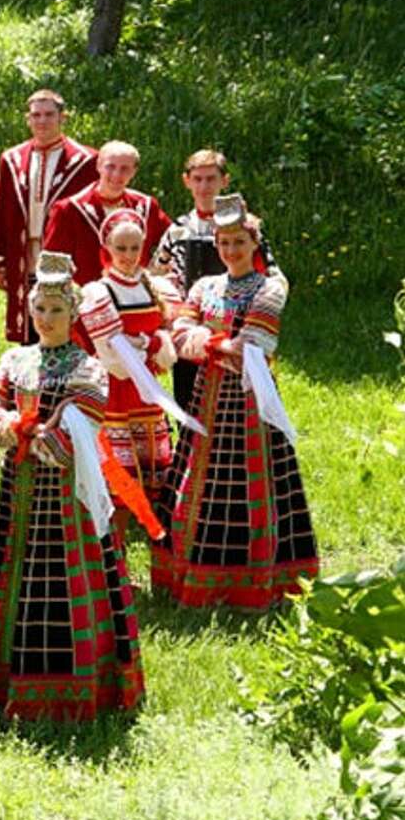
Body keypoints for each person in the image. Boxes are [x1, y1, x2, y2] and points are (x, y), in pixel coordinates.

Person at [0, 252, 143, 720]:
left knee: (67, 573)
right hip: (20, 487)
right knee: (18, 568)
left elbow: (75, 435)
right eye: (39, 309)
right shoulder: (16, 359)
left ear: (73, 315)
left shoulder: (88, 368)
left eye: (56, 310)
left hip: (69, 495)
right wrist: (11, 423)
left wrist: (23, 431)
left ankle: (79, 680)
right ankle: (13, 680)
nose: (46, 319)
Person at [155, 196, 317, 609]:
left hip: (252, 402)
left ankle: (257, 577)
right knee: (201, 479)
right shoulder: (204, 286)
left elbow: (254, 348)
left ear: (254, 244)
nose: (230, 250)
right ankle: (198, 572)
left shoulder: (269, 288)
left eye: (238, 242)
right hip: (206, 397)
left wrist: (206, 342)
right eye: (224, 242)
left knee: (253, 479)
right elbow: (178, 336)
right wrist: (215, 343)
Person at [78, 211, 186, 532]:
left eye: (134, 248)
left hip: (148, 390)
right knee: (119, 475)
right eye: (120, 248)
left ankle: (153, 537)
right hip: (117, 392)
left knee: (151, 470)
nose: (127, 256)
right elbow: (112, 358)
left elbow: (167, 339)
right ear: (107, 247)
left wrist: (155, 344)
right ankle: (114, 548)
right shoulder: (98, 293)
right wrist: (151, 345)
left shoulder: (153, 286)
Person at [151, 149, 277, 411]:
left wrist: (263, 314)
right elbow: (156, 275)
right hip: (190, 325)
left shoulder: (246, 228)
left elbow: (273, 275)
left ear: (224, 181)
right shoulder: (177, 230)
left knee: (240, 403)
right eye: (197, 179)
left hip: (238, 324)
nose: (204, 187)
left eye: (211, 179)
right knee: (188, 400)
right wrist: (170, 307)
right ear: (187, 181)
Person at [0, 89, 97, 344]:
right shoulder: (12, 159)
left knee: (65, 323)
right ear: (28, 119)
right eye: (36, 115)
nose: (42, 121)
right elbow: (2, 210)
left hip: (65, 255)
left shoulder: (86, 160)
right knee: (30, 320)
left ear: (63, 117)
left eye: (49, 114)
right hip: (24, 254)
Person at [42, 140, 171, 287]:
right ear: (98, 166)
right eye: (110, 166)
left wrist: (158, 270)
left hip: (137, 299)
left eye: (125, 169)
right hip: (89, 301)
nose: (117, 174)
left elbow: (173, 242)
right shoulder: (68, 209)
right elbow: (53, 264)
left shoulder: (146, 206)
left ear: (134, 172)